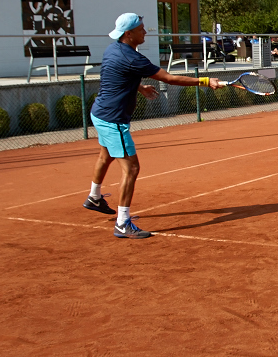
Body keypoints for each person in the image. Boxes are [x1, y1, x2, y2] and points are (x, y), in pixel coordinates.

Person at [83, 12, 225, 238]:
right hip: (113, 119)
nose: (145, 32)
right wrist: (205, 81)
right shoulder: (132, 58)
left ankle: (94, 197)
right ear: (128, 34)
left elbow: (117, 75)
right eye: (140, 28)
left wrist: (139, 87)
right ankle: (122, 223)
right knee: (131, 168)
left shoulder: (113, 49)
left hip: (99, 113)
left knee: (105, 155)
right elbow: (169, 78)